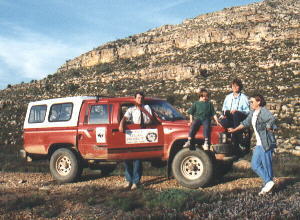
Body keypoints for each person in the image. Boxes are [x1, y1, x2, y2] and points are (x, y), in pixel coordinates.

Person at [228, 94, 277, 195]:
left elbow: (272, 119)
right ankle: (269, 182)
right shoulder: (253, 112)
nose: (250, 103)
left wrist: (268, 126)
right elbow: (245, 123)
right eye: (250, 102)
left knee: (267, 166)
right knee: (255, 165)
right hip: (259, 144)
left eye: (252, 101)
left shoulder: (263, 111)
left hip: (266, 142)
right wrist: (234, 130)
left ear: (258, 102)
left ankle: (269, 187)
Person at [119, 92, 152, 190]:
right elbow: (125, 118)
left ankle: (136, 182)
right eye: (138, 98)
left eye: (141, 98)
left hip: (143, 133)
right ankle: (129, 180)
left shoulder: (147, 107)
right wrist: (121, 125)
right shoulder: (131, 109)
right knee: (127, 158)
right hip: (133, 135)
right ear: (135, 99)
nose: (140, 99)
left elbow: (151, 118)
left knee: (138, 159)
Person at [220, 78, 250, 153]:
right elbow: (224, 108)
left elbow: (247, 111)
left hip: (240, 116)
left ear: (240, 87)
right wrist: (223, 115)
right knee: (223, 121)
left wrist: (238, 111)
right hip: (230, 116)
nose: (235, 88)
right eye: (233, 86)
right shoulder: (228, 97)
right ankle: (227, 142)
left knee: (236, 114)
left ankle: (236, 138)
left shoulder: (244, 97)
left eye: (237, 86)